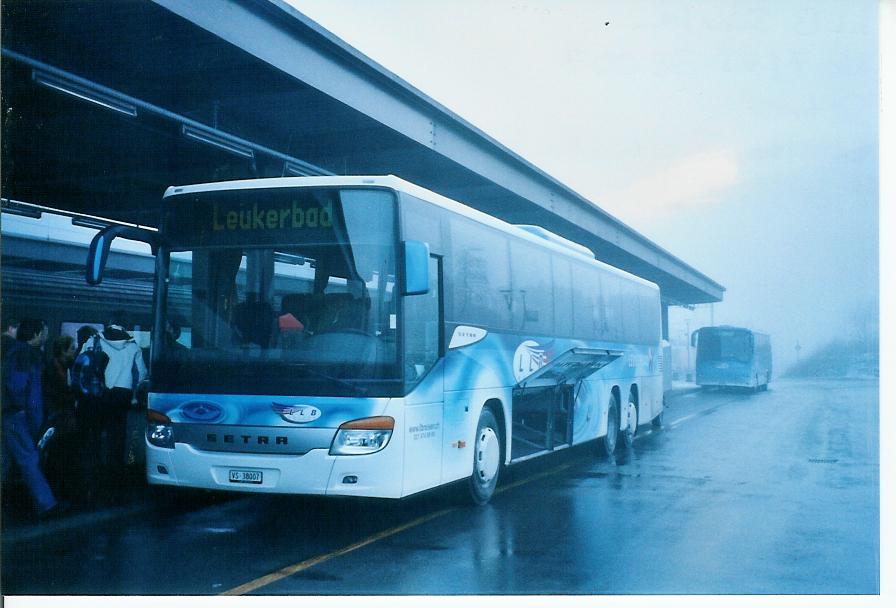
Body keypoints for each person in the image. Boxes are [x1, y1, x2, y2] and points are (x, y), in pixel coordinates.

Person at [2, 318, 66, 518]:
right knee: (29, 458)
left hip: (7, 412)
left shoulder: (13, 351)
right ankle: (47, 505)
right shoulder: (26, 355)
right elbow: (30, 393)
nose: (46, 336)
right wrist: (34, 422)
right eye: (44, 332)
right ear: (36, 334)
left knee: (4, 459)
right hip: (15, 414)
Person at [78, 313, 148, 485]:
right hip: (121, 396)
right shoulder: (133, 347)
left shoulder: (94, 341)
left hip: (98, 394)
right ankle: (113, 480)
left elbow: (80, 366)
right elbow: (141, 374)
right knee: (116, 438)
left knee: (94, 436)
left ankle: (92, 479)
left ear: (110, 323)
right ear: (125, 325)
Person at [42, 335, 79, 501]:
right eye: (72, 348)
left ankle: (60, 492)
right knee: (59, 456)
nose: (75, 351)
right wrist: (72, 396)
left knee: (62, 456)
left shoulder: (63, 366)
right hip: (59, 418)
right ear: (63, 350)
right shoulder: (53, 368)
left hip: (64, 418)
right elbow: (54, 393)